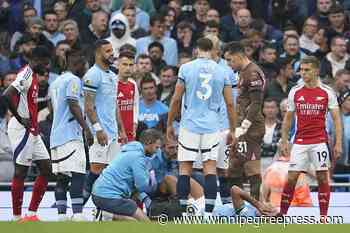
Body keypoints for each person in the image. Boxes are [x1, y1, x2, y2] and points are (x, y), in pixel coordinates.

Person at [167, 38, 236, 217]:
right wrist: (233, 129)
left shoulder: (186, 68)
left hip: (189, 125)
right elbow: (230, 104)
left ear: (197, 49)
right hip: (213, 126)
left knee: (185, 168)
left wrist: (169, 124)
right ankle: (209, 214)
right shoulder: (223, 71)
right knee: (210, 168)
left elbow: (176, 99)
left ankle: (183, 211)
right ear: (212, 50)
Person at [279, 56, 342, 220]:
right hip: (299, 142)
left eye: (307, 70)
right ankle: (282, 214)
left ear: (316, 71)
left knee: (322, 177)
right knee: (291, 178)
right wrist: (284, 140)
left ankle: (323, 217)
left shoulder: (327, 92)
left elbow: (336, 119)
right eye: (301, 70)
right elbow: (288, 118)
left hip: (320, 142)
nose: (303, 73)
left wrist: (338, 144)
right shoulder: (295, 91)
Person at [2, 46, 52, 222]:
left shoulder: (33, 77)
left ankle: (31, 215)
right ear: (36, 59)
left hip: (32, 128)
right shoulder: (27, 74)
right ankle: (16, 218)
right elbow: (7, 94)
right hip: (21, 128)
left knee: (46, 168)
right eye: (45, 62)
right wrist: (20, 117)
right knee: (21, 171)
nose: (47, 66)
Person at [49, 50, 94, 221]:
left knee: (62, 177)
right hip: (70, 135)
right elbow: (73, 103)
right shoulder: (74, 80)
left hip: (56, 135)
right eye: (84, 64)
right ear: (76, 62)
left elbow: (52, 108)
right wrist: (87, 130)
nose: (85, 68)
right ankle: (77, 214)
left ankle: (61, 215)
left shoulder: (56, 82)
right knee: (78, 174)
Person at [82, 40, 127, 204]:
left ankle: (103, 209)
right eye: (107, 51)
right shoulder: (93, 75)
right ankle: (78, 209)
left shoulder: (112, 75)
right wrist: (98, 129)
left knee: (111, 173)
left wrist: (121, 129)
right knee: (96, 170)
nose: (111, 54)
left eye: (111, 50)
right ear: (98, 53)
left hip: (113, 133)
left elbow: (114, 104)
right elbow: (88, 106)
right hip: (99, 133)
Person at [92, 129, 162, 221]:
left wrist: (146, 199)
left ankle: (107, 216)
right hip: (107, 196)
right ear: (148, 142)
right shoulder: (138, 157)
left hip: (98, 194)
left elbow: (136, 188)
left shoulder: (130, 150)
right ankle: (105, 216)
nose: (157, 151)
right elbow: (143, 186)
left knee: (131, 217)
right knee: (145, 222)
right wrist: (152, 178)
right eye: (156, 147)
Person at [225, 41, 266, 200]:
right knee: (234, 166)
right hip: (241, 126)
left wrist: (244, 126)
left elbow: (256, 103)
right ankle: (238, 206)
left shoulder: (253, 73)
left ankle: (256, 208)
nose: (228, 64)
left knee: (251, 168)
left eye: (230, 60)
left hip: (251, 127)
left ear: (238, 56)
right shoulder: (243, 72)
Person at [117, 51, 139, 142]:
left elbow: (135, 105)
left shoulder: (133, 84)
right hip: (116, 133)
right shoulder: (112, 84)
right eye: (124, 64)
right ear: (118, 64)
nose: (128, 68)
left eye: (131, 65)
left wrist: (135, 122)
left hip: (130, 132)